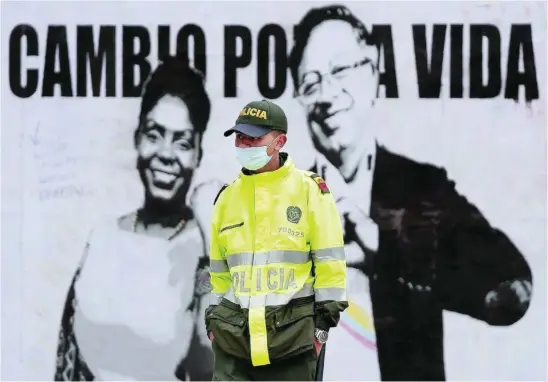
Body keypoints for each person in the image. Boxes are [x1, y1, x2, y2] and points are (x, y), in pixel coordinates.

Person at [288, 5, 533, 381]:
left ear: (372, 73)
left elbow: (510, 285)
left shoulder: (423, 190)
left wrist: (387, 250)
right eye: (310, 82)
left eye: (339, 70)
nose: (325, 94)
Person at [53, 55, 223, 381]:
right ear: (136, 138)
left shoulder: (206, 249)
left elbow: (210, 364)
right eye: (154, 134)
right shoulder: (101, 238)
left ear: (198, 154)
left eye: (183, 142)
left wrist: (214, 241)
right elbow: (66, 363)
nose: (166, 154)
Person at [205, 99, 348, 381]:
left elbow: (331, 269)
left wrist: (320, 332)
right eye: (240, 137)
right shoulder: (226, 198)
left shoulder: (310, 191)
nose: (244, 144)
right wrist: (213, 322)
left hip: (292, 344)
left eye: (254, 138)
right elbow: (218, 274)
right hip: (232, 343)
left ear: (279, 141)